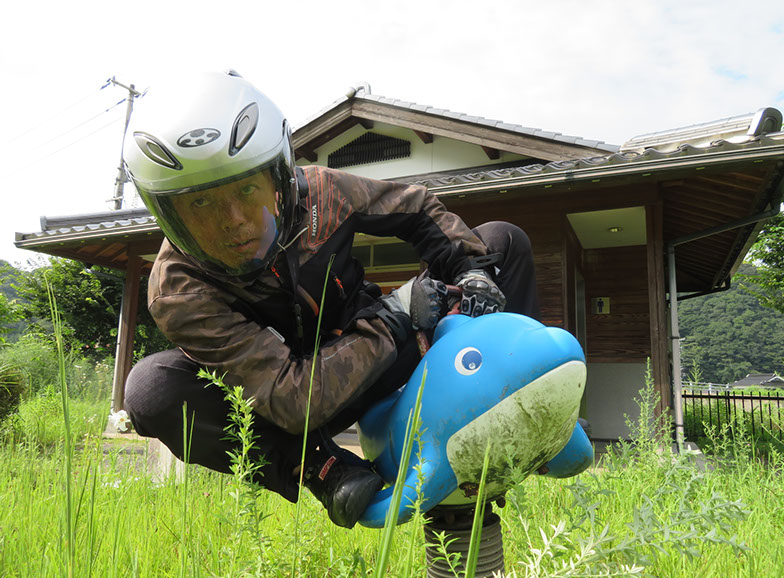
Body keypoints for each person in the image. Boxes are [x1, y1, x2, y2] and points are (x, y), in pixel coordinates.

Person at [123, 71, 540, 529]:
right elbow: (292, 400)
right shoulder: (179, 288)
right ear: (167, 213)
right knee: (150, 389)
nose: (234, 221)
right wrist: (397, 314)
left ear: (280, 176)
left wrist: (470, 270)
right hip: (295, 416)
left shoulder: (323, 192)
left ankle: (520, 393)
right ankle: (323, 470)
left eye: (245, 190)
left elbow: (416, 207)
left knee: (501, 241)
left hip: (387, 356)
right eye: (201, 204)